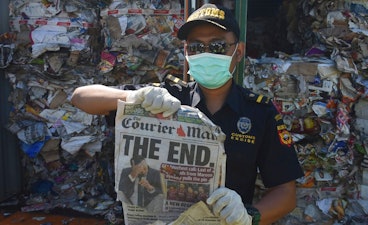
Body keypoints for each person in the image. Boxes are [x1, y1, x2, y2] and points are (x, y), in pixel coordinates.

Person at [71, 3, 304, 225]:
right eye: (195, 47)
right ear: (186, 53)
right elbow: (81, 98)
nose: (206, 53)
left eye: (217, 46)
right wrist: (134, 97)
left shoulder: (259, 113)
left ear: (239, 51)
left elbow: (285, 192)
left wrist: (249, 217)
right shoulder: (167, 97)